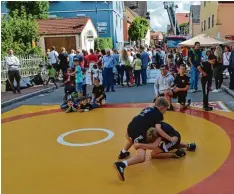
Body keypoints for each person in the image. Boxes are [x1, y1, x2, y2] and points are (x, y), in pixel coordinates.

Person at [113, 98, 183, 181]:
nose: (165, 111)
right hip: (139, 132)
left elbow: (141, 121)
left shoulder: (148, 108)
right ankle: (122, 164)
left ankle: (123, 152)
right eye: (165, 109)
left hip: (130, 128)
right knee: (141, 157)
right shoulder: (158, 114)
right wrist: (170, 138)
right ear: (161, 108)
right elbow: (159, 130)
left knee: (132, 139)